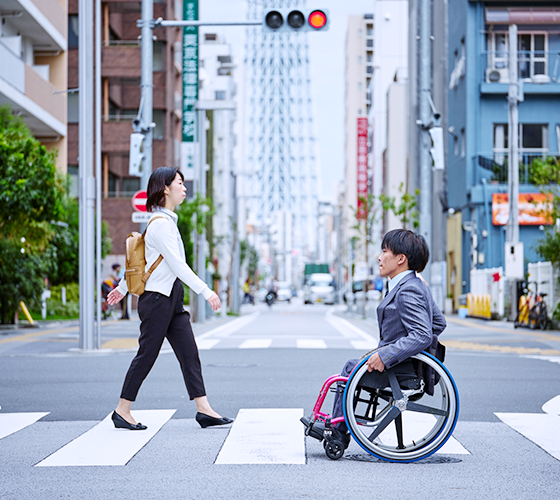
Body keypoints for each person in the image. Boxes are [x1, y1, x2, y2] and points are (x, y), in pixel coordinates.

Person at [107, 166, 232, 431]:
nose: (184, 188)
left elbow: (143, 262)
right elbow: (177, 265)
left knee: (189, 352)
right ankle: (122, 410)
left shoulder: (166, 222)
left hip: (171, 298)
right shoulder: (161, 225)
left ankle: (204, 409)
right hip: (157, 300)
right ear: (165, 188)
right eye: (179, 183)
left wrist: (123, 287)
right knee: (147, 355)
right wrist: (206, 291)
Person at [302, 229, 446, 447]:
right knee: (352, 366)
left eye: (385, 251)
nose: (379, 257)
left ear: (401, 259)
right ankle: (338, 426)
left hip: (400, 371)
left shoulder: (408, 291)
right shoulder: (416, 285)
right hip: (405, 365)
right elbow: (438, 323)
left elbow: (423, 334)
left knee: (350, 369)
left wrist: (389, 354)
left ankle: (339, 433)